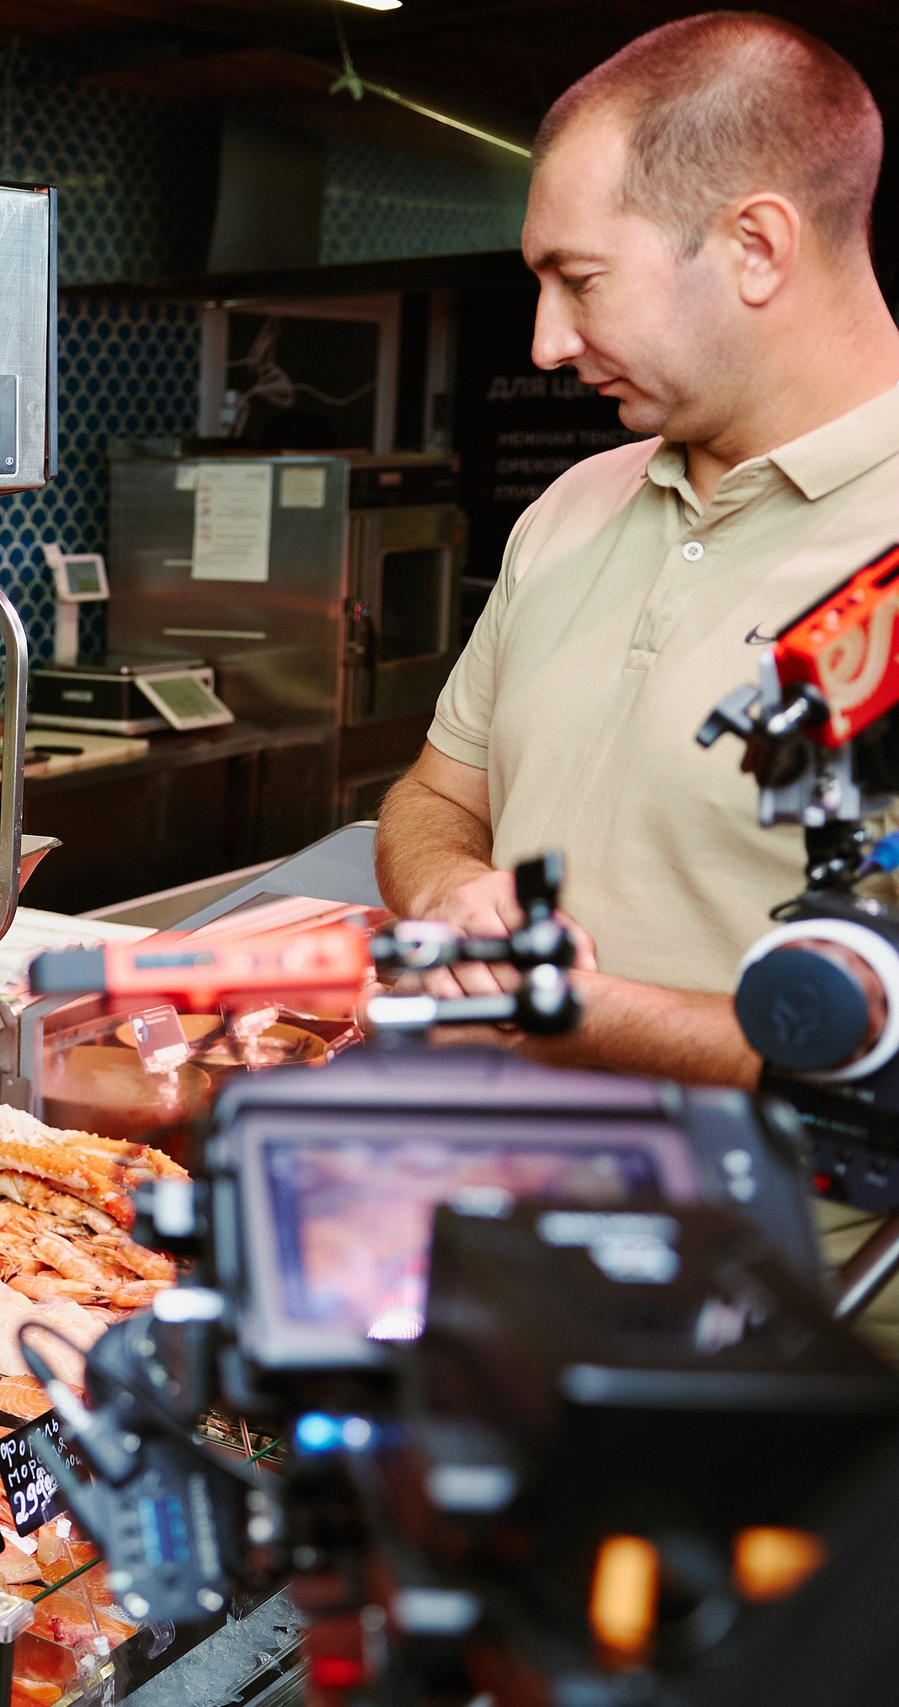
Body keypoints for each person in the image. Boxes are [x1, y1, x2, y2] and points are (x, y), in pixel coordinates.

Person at [376, 12, 899, 1089]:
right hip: (488, 1205)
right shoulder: (571, 508)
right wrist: (449, 892)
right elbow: (435, 801)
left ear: (756, 248)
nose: (545, 342)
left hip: (791, 1254)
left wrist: (585, 1018)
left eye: (581, 278)